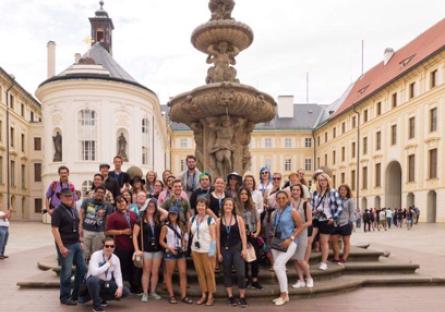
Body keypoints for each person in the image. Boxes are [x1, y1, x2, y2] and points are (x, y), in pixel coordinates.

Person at [50, 188, 87, 305]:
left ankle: (75, 295)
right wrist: (61, 247)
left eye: (70, 196)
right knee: (66, 272)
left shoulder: (73, 209)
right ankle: (65, 297)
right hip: (66, 245)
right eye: (66, 196)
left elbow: (77, 226)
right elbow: (55, 229)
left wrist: (80, 240)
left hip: (76, 243)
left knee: (82, 268)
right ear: (60, 197)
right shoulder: (58, 211)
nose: (69, 198)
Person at [270, 190, 304, 306]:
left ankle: (284, 295)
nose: (280, 200)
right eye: (278, 198)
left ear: (287, 199)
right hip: (277, 243)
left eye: (283, 198)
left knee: (278, 266)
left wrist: (291, 239)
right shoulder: (276, 212)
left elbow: (300, 226)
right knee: (281, 267)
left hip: (290, 242)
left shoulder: (293, 211)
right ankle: (284, 294)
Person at [133, 198, 168, 302]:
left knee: (155, 272)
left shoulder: (158, 218)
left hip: (157, 249)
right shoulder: (139, 220)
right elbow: (135, 236)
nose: (151, 207)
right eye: (149, 205)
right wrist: (137, 249)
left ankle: (152, 291)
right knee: (146, 271)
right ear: (145, 207)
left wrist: (156, 205)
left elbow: (166, 213)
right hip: (146, 250)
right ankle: (145, 292)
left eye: (153, 206)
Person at [216, 197, 248, 307]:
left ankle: (242, 297)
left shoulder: (238, 219)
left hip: (237, 248)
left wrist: (244, 249)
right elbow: (217, 238)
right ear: (223, 207)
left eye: (230, 205)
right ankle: (230, 297)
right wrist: (218, 253)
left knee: (241, 273)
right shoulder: (218, 220)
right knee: (227, 273)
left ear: (233, 206)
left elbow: (243, 235)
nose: (228, 207)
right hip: (225, 250)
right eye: (226, 205)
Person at [106, 196, 140, 294]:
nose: (121, 204)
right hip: (121, 246)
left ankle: (135, 288)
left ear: (127, 203)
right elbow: (108, 231)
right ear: (116, 205)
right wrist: (122, 232)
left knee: (134, 267)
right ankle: (121, 288)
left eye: (123, 202)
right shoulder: (113, 216)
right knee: (123, 267)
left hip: (134, 245)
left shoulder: (133, 214)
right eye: (119, 202)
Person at [85, 237, 129, 312]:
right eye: (107, 246)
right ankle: (96, 307)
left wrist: (120, 287)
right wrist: (107, 265)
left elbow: (118, 275)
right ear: (103, 246)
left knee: (125, 291)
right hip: (93, 283)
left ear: (114, 247)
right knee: (93, 280)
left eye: (112, 246)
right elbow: (94, 273)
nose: (109, 248)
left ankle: (101, 298)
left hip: (106, 284)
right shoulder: (96, 255)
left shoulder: (116, 259)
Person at [159, 206, 193, 304]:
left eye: (174, 214)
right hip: (170, 252)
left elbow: (184, 237)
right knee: (169, 275)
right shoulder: (165, 227)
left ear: (177, 215)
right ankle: (171, 295)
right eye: (171, 214)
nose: (172, 216)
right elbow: (161, 241)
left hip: (180, 251)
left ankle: (184, 296)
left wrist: (184, 244)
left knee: (183, 273)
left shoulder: (181, 225)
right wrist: (169, 248)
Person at [311, 173, 343, 271]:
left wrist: (334, 218)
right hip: (316, 218)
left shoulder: (333, 192)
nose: (322, 182)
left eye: (324, 179)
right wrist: (313, 210)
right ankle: (305, 260)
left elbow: (340, 207)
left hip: (326, 219)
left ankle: (324, 263)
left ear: (328, 180)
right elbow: (312, 205)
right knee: (309, 239)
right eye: (320, 180)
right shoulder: (316, 193)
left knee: (323, 242)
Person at [189, 198, 217, 306]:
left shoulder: (210, 219)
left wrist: (212, 251)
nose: (201, 207)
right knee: (200, 273)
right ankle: (203, 294)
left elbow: (214, 236)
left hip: (207, 250)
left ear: (206, 207)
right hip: (196, 250)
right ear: (196, 207)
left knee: (209, 273)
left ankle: (210, 296)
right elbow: (190, 234)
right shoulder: (192, 219)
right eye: (199, 205)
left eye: (203, 205)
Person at [80, 185, 113, 261]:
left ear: (104, 194)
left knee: (96, 253)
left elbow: (108, 219)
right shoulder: (87, 201)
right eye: (98, 192)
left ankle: (94, 270)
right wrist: (80, 226)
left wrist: (105, 231)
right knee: (85, 252)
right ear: (94, 193)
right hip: (87, 230)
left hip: (99, 232)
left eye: (102, 193)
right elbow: (81, 213)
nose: (100, 194)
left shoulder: (107, 205)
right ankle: (85, 270)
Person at [238, 187, 262, 289]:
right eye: (242, 194)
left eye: (245, 194)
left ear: (248, 196)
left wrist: (257, 233)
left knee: (255, 257)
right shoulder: (236, 208)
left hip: (251, 234)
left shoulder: (253, 207)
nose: (243, 196)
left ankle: (255, 279)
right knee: (243, 258)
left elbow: (258, 221)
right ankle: (246, 279)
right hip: (240, 236)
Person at [289, 184, 313, 289]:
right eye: (293, 190)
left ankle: (309, 277)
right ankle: (301, 280)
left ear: (301, 192)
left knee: (300, 259)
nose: (295, 192)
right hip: (291, 232)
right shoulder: (288, 203)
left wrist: (300, 227)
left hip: (302, 232)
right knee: (294, 258)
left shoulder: (305, 204)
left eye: (297, 190)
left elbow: (310, 222)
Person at [331, 184, 355, 263]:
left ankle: (344, 258)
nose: (342, 191)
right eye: (341, 190)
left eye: (344, 190)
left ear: (347, 191)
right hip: (336, 223)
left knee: (346, 242)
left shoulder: (350, 200)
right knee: (334, 241)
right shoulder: (336, 200)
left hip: (345, 223)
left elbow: (352, 213)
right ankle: (336, 257)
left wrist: (350, 223)